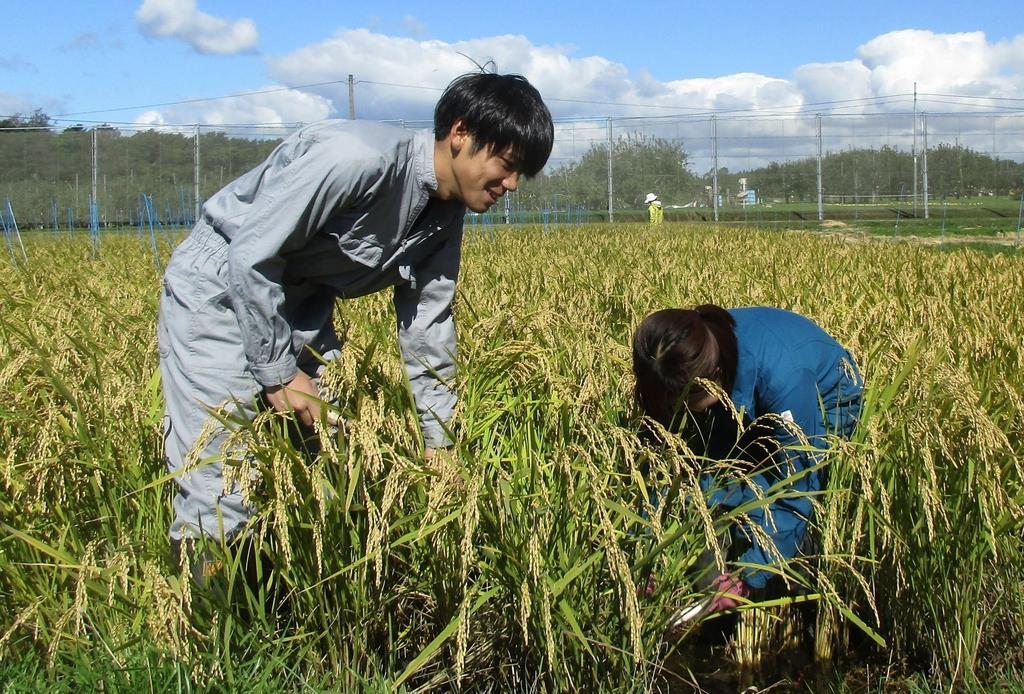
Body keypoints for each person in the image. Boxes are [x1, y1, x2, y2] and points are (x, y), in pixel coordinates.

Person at [158, 72, 554, 568]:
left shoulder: (445, 216)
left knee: (335, 451)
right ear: (460, 133)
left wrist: (440, 442)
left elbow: (428, 325)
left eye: (523, 174)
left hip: (297, 300)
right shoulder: (355, 159)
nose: (511, 184)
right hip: (218, 287)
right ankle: (197, 623)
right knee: (219, 473)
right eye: (507, 164)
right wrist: (281, 375)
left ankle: (295, 586)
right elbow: (252, 255)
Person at [632, 304, 863, 614]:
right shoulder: (678, 357)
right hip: (745, 388)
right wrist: (644, 549)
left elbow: (796, 488)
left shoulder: (784, 381)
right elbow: (661, 468)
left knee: (761, 490)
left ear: (713, 379)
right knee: (705, 478)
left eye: (683, 401)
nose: (675, 410)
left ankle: (778, 590)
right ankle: (712, 577)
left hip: (827, 397)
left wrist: (747, 579)